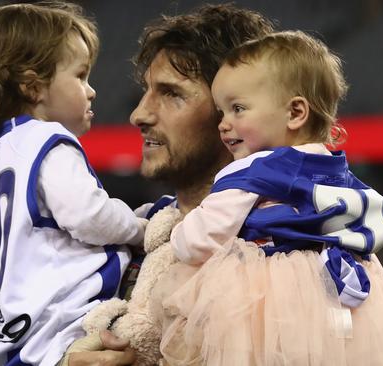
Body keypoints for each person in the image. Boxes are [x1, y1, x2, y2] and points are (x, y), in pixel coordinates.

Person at [158, 30, 383, 365]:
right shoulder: (338, 172)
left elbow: (196, 241)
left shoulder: (255, 170)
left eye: (238, 109)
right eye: (222, 112)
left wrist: (178, 231)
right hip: (347, 301)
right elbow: (380, 223)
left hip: (271, 302)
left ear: (296, 112)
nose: (223, 125)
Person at [0, 2, 147, 365]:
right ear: (34, 88)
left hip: (16, 329)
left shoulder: (6, 149)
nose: (91, 90)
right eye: (81, 76)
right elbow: (89, 216)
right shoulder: (47, 139)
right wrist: (141, 228)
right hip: (59, 328)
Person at [67, 3, 275, 365]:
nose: (140, 114)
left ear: (235, 109)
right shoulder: (139, 232)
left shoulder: (288, 245)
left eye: (171, 93)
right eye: (147, 91)